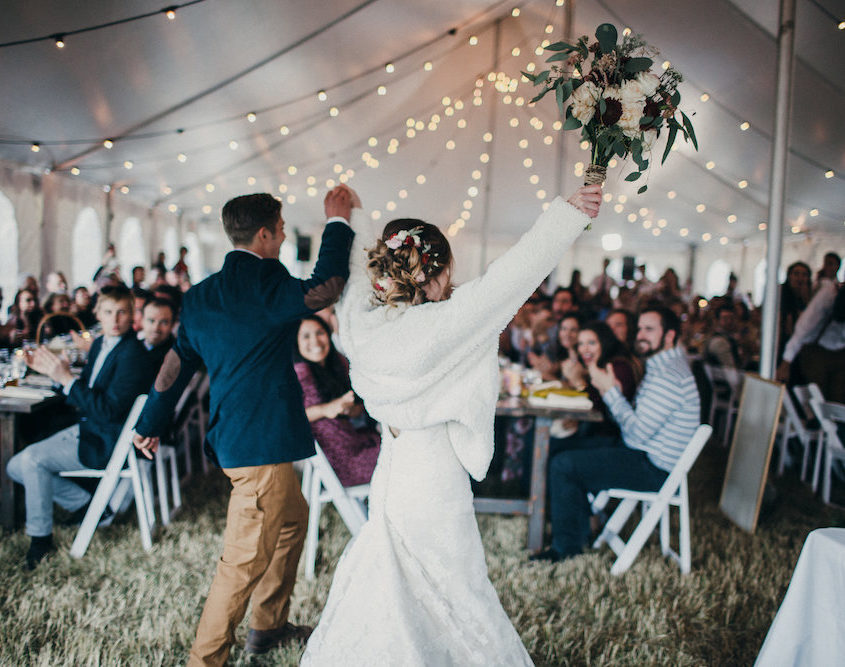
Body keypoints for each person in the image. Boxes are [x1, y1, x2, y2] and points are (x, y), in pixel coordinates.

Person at [300, 183, 602, 665]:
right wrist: (567, 215)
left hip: (391, 467)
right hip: (433, 471)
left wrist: (350, 218)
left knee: (389, 573)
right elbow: (514, 274)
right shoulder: (447, 324)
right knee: (455, 586)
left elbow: (355, 272)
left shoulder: (358, 321)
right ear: (433, 273)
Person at [131, 187, 355, 666]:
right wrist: (337, 221)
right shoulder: (266, 283)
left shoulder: (202, 295)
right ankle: (205, 660)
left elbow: (177, 361)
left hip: (248, 440)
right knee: (241, 564)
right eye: (277, 230)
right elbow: (327, 286)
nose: (279, 239)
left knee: (292, 523)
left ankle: (267, 628)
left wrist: (151, 419)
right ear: (265, 233)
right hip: (258, 449)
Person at [534, 306, 700, 563]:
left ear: (669, 336)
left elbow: (635, 433)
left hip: (654, 467)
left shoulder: (669, 375)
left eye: (650, 329)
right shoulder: (662, 366)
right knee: (562, 451)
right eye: (640, 328)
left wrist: (609, 391)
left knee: (563, 464)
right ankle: (580, 529)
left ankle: (565, 548)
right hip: (645, 453)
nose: (641, 335)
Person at [5, 285, 154, 569]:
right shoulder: (99, 344)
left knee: (32, 460)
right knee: (14, 466)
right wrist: (55, 376)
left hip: (105, 440)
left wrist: (66, 380)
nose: (115, 319)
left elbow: (108, 410)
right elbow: (85, 391)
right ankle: (85, 504)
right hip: (88, 427)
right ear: (97, 312)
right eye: (108, 312)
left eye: (122, 312)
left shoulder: (134, 355)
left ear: (132, 315)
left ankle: (40, 539)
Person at [293, 315, 380, 487]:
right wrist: (326, 409)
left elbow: (357, 407)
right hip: (344, 463)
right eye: (306, 336)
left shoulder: (337, 362)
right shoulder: (301, 372)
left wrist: (350, 410)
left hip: (357, 443)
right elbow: (292, 417)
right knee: (403, 452)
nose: (315, 341)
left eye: (320, 332)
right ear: (296, 343)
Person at [554, 320, 641, 453]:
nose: (585, 349)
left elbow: (605, 413)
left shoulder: (618, 368)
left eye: (592, 343)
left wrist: (579, 382)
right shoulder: (599, 364)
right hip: (598, 433)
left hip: (614, 440)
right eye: (581, 344)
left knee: (552, 446)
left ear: (604, 343)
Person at [777, 281, 845, 402]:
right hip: (817, 352)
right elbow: (804, 327)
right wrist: (786, 362)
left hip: (841, 354)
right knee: (817, 399)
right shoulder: (829, 294)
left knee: (838, 401)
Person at [138, 297, 176, 368]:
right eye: (151, 321)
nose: (156, 328)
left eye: (164, 322)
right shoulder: (131, 346)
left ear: (173, 325)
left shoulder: (177, 356)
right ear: (142, 321)